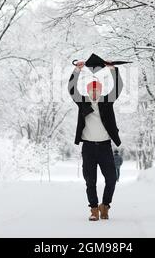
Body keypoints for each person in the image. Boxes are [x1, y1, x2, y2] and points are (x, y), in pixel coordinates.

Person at [68, 59, 123, 221]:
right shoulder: (83, 102)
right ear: (87, 92)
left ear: (100, 91)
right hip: (89, 148)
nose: (94, 93)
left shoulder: (107, 102)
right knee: (90, 181)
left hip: (105, 147)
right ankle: (93, 209)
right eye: (91, 90)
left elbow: (118, 87)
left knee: (111, 179)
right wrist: (77, 70)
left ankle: (105, 206)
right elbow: (71, 89)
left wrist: (112, 69)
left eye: (96, 90)